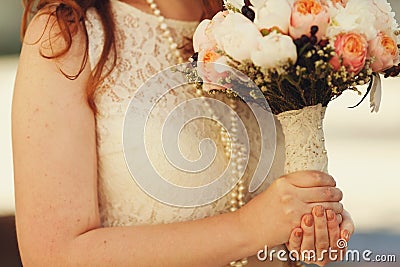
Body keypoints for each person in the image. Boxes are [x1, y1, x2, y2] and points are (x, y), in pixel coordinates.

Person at [12, 0, 354, 266]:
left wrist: (311, 226)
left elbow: (285, 205)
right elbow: (53, 255)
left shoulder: (272, 20)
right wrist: (250, 229)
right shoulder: (68, 35)